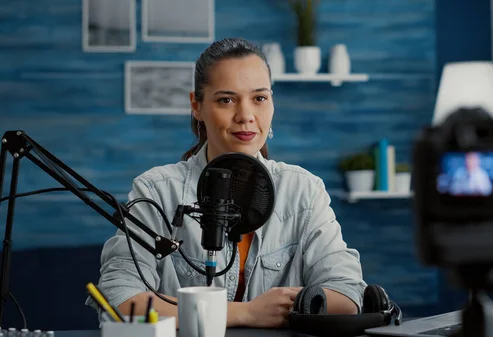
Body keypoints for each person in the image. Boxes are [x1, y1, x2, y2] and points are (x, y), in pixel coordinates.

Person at [85, 37, 366, 328]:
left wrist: (292, 302)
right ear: (197, 106)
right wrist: (246, 313)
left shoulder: (304, 191)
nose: (246, 116)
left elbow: (348, 293)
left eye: (259, 98)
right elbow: (118, 300)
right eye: (226, 100)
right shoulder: (156, 190)